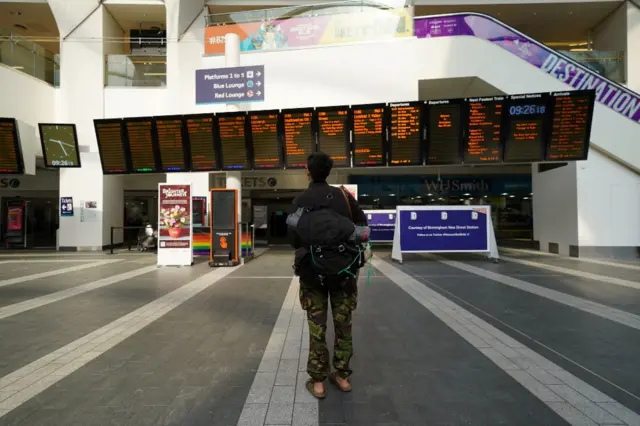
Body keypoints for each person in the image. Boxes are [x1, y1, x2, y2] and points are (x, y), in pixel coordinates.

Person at [289, 152, 368, 399]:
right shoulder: (344, 197)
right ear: (329, 171)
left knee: (317, 328)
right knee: (344, 325)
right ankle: (342, 377)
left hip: (312, 275)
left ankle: (319, 382)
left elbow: (293, 240)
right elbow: (362, 227)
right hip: (344, 273)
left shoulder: (300, 200)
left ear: (307, 171)